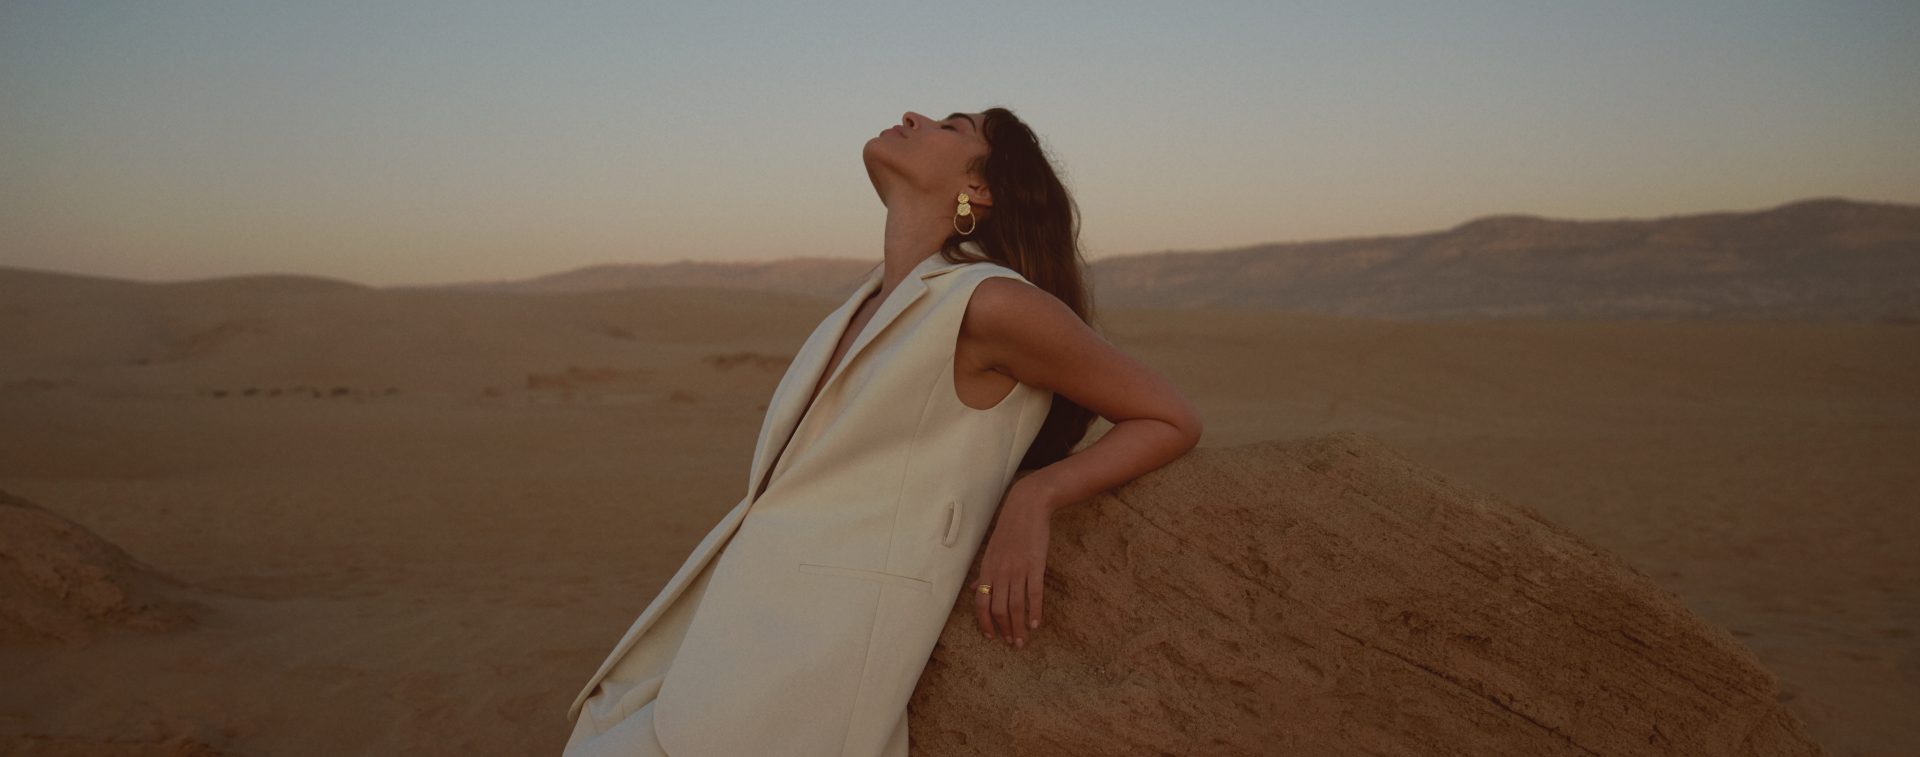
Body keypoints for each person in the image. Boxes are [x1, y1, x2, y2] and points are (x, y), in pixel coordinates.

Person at [562, 107, 1203, 757]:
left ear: (979, 188)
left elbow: (1169, 416)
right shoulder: (860, 305)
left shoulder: (991, 303)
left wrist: (1036, 495)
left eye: (952, 126)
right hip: (711, 638)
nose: (913, 116)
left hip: (809, 671)